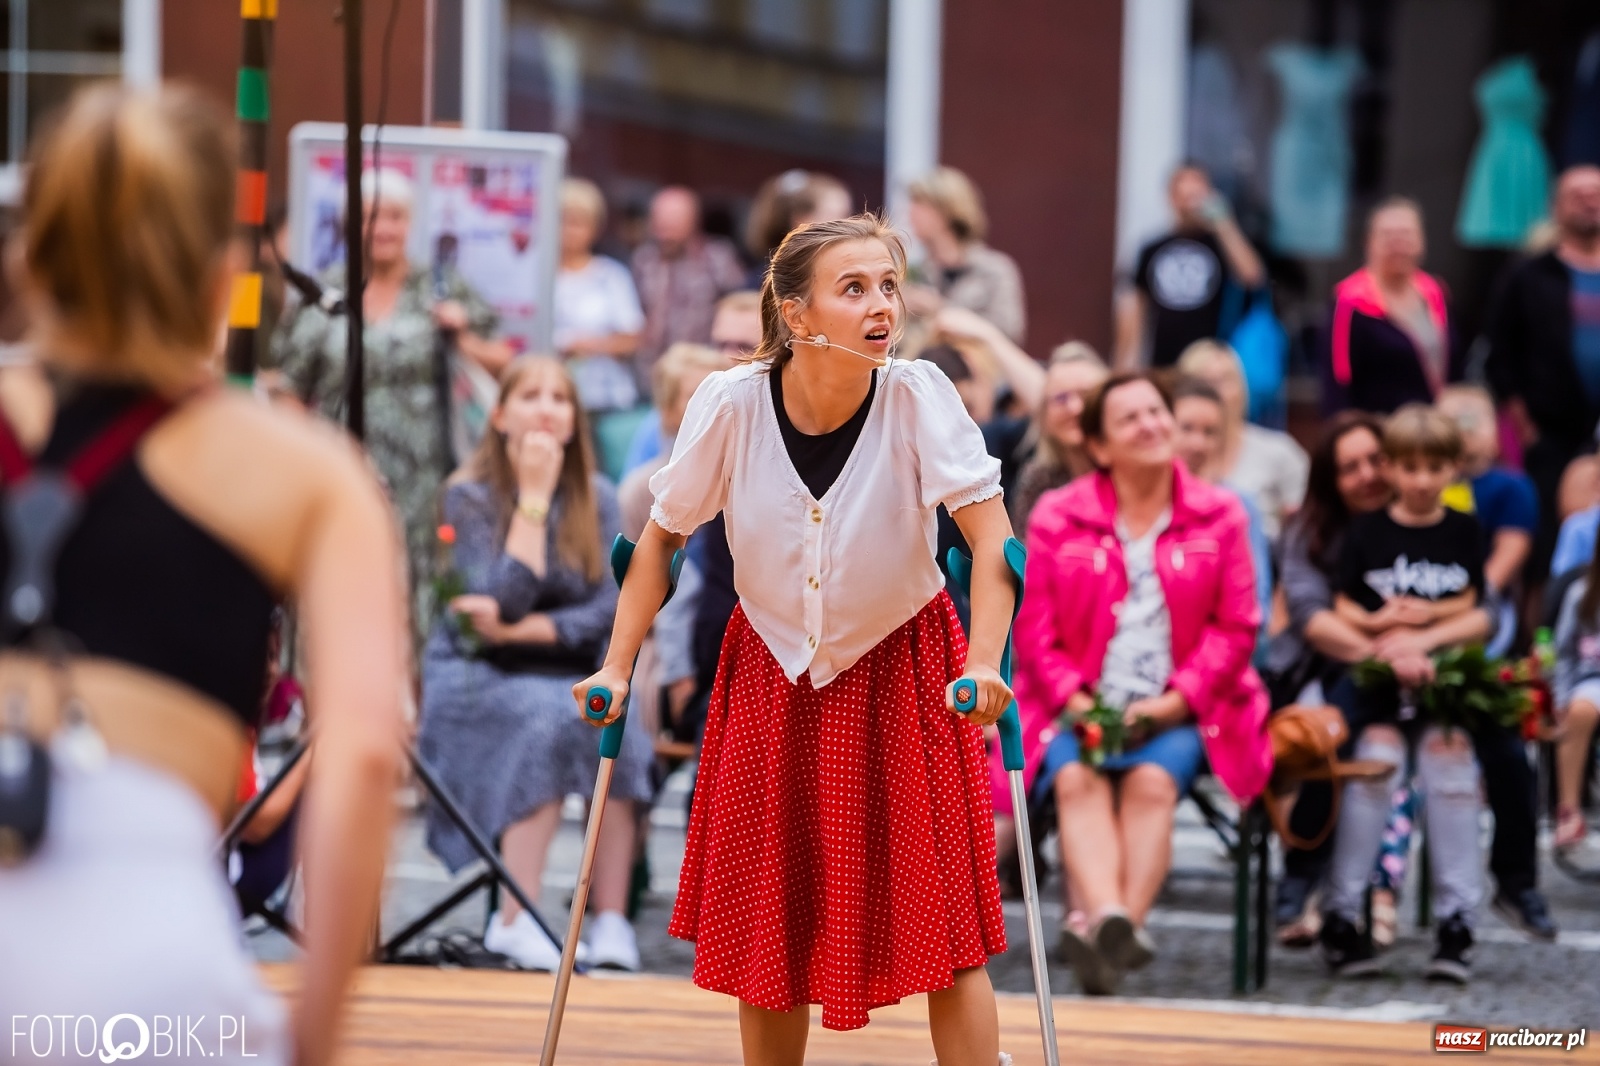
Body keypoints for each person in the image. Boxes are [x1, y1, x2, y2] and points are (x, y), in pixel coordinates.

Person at [0, 84, 405, 1065]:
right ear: (224, 269)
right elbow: (360, 756)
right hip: (137, 957)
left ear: (33, 250)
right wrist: (312, 1036)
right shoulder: (303, 468)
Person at [576, 215, 1017, 1064]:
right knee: (766, 932)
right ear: (798, 313)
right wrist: (617, 664)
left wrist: (986, 659)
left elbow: (997, 545)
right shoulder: (730, 401)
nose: (881, 304)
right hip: (772, 673)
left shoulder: (920, 395)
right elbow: (660, 540)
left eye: (888, 285)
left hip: (905, 668)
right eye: (854, 288)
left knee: (948, 927)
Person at [1014, 372, 1271, 995]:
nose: (1154, 425)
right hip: (1075, 704)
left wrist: (1171, 704)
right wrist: (1079, 703)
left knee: (1154, 783)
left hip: (1184, 708)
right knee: (1075, 779)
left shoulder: (1222, 512)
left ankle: (1102, 925)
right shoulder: (1058, 514)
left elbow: (1238, 628)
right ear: (1100, 446)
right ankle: (1113, 921)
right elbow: (1033, 630)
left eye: (1157, 411)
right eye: (1131, 419)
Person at [1269, 414, 1556, 948]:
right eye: (1350, 467)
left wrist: (1421, 642)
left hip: (1439, 664)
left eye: (1374, 460)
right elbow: (1319, 614)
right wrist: (1386, 646)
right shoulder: (1323, 530)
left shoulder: (1458, 527)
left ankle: (1516, 882)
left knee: (1508, 748)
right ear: (1330, 478)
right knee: (1328, 733)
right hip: (1348, 664)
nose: (1369, 475)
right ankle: (1303, 871)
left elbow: (1482, 606)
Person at [416, 355, 647, 972]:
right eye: (530, 396)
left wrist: (530, 628)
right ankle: (514, 917)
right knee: (548, 719)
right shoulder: (465, 497)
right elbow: (487, 610)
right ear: (499, 416)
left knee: (621, 720)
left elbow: (606, 607)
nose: (547, 408)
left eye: (560, 399)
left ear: (575, 422)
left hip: (560, 665)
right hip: (474, 675)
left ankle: (611, 917)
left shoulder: (597, 497)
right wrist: (535, 501)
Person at [274, 167, 511, 642]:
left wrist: (460, 333)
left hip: (425, 477)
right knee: (337, 575)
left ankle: (418, 703)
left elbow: (504, 362)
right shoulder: (322, 293)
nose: (383, 227)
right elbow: (289, 391)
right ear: (347, 224)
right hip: (341, 468)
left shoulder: (440, 286)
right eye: (369, 216)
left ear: (410, 224)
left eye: (395, 216)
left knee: (418, 583)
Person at [1319, 405, 1492, 983]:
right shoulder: (1366, 532)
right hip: (1378, 684)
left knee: (1454, 766)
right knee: (1376, 763)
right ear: (1391, 468)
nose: (1422, 480)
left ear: (1454, 469)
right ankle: (1340, 913)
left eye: (1435, 467)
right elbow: (1343, 604)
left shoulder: (1465, 530)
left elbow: (1473, 605)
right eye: (1410, 467)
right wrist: (1383, 629)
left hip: (1447, 685)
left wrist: (1426, 619)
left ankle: (1459, 921)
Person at [1484, 164, 1600, 586]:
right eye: (1577, 193)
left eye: (1596, 192)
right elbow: (1500, 358)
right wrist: (1525, 426)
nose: (1589, 200)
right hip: (1550, 436)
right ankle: (1543, 641)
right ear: (1556, 206)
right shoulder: (1528, 275)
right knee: (1546, 547)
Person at [1115, 163, 1265, 370]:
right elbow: (1136, 309)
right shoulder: (1152, 248)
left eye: (1197, 191)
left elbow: (1252, 276)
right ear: (1170, 197)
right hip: (1162, 361)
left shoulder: (1221, 244)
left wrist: (1223, 222)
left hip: (1209, 362)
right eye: (1183, 191)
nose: (1190, 200)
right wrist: (1126, 361)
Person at [1321, 197, 1460, 416]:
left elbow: (1452, 367)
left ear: (1422, 240)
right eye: (1388, 235)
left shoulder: (1435, 292)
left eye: (1406, 234)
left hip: (1431, 428)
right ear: (1368, 242)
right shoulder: (1350, 299)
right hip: (1379, 426)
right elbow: (1337, 378)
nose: (1398, 243)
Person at [1437, 385, 1538, 650]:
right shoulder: (1425, 485)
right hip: (1425, 590)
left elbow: (1510, 553)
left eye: (1474, 422)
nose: (1465, 432)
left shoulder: (1511, 486)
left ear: (1496, 432)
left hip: (1486, 601)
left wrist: (1465, 598)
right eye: (1454, 422)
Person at [1177, 338, 1308, 538]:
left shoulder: (1279, 450)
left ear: (1242, 386)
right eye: (1205, 383)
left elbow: (1310, 525)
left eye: (1226, 380)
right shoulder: (1169, 458)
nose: (1217, 392)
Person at [1170, 376, 1274, 626]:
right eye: (1186, 428)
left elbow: (1255, 605)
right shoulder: (1139, 503)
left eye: (1210, 432)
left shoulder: (1239, 505)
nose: (1198, 443)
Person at [623, 290, 759, 475]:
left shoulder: (786, 416)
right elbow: (637, 494)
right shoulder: (667, 418)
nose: (727, 357)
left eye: (744, 347)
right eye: (721, 344)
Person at [630, 185, 745, 377]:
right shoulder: (643, 260)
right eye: (660, 223)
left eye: (673, 223)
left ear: (693, 222)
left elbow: (738, 307)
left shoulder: (717, 259)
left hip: (702, 367)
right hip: (651, 370)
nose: (665, 231)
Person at [904, 166, 1028, 343]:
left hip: (980, 369)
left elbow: (1010, 333)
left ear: (947, 211)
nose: (911, 213)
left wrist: (939, 308)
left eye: (920, 205)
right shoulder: (915, 274)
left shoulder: (995, 270)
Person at [554, 177, 646, 414]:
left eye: (578, 223)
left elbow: (632, 338)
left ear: (595, 228)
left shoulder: (611, 276)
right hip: (552, 394)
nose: (569, 230)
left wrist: (584, 346)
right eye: (563, 221)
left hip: (605, 401)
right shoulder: (538, 275)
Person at [1010, 342, 1109, 534]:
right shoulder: (1038, 479)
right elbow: (1026, 557)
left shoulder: (1131, 470)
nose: (1075, 408)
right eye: (1061, 398)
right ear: (1044, 414)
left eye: (1086, 395)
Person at [1550, 537, 1600, 851]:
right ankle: (1569, 810)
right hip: (1590, 679)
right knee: (1579, 711)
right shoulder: (1581, 594)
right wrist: (1560, 698)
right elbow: (1563, 653)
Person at [745, 169, 853, 283]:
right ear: (802, 222)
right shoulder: (771, 284)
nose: (849, 223)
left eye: (849, 215)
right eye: (839, 215)